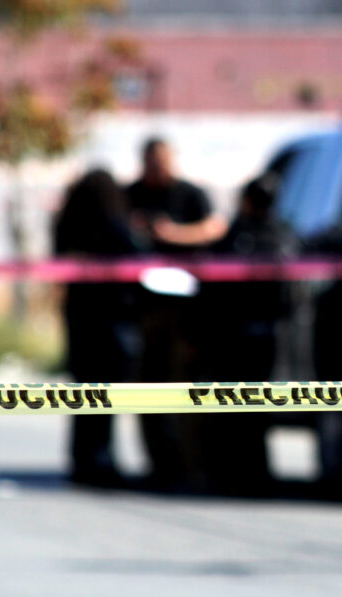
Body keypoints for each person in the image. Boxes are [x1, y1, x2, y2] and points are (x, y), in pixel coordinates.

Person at [179, 175, 295, 494]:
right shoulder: (244, 237)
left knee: (250, 408)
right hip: (233, 335)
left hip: (255, 333)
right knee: (233, 407)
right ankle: (233, 471)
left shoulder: (270, 237)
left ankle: (250, 472)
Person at [126, 137, 226, 492]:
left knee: (185, 387)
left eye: (163, 162)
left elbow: (214, 227)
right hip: (146, 307)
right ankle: (159, 464)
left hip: (186, 309)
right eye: (152, 163)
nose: (158, 169)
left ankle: (192, 465)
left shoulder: (189, 194)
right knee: (148, 388)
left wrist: (173, 234)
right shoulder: (132, 195)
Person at [54, 169, 145, 488]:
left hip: (80, 316)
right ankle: (101, 460)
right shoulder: (114, 223)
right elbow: (136, 255)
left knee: (83, 392)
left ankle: (83, 459)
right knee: (106, 395)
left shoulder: (68, 223)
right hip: (111, 318)